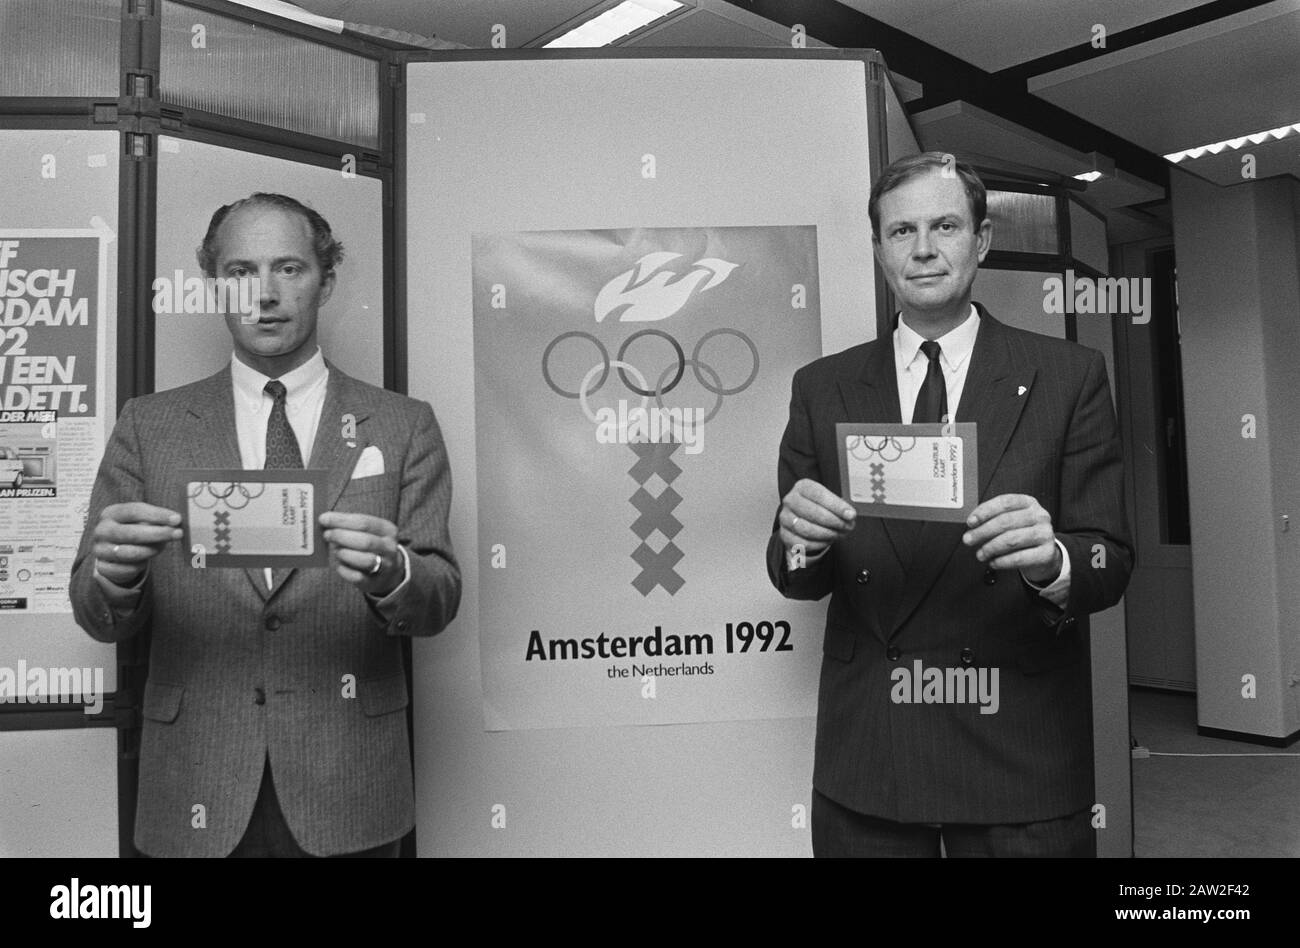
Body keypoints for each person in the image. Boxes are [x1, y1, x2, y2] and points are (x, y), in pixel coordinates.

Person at [70, 193, 461, 857]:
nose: (265, 294)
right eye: (241, 272)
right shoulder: (149, 425)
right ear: (214, 286)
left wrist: (396, 573)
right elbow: (98, 613)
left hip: (351, 786)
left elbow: (439, 601)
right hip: (197, 781)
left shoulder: (402, 424)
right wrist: (112, 576)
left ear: (326, 280)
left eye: (289, 268)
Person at [766, 153, 1132, 857]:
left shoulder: (1068, 376)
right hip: (872, 751)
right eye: (901, 232)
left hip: (1018, 750)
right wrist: (798, 538)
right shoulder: (822, 387)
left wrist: (1052, 557)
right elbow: (796, 576)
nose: (924, 249)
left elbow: (1109, 561)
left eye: (945, 226)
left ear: (982, 240)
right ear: (878, 249)